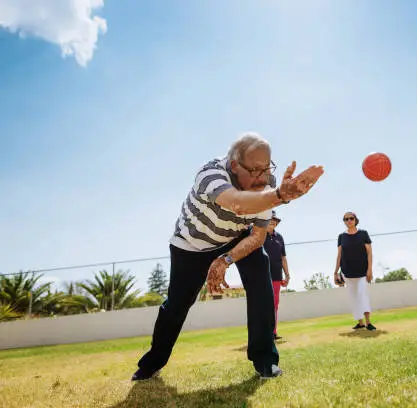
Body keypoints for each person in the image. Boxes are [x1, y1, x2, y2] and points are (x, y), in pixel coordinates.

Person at [131, 132, 324, 381]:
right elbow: (237, 204)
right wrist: (280, 195)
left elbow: (257, 236)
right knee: (177, 305)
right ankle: (152, 363)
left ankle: (265, 360)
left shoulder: (266, 183)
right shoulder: (210, 174)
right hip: (192, 244)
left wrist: (225, 260)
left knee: (260, 274)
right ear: (234, 165)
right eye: (255, 170)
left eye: (267, 168)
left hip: (235, 237)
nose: (263, 177)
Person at [333, 211, 376, 331]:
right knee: (353, 298)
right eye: (346, 219)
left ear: (355, 220)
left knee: (363, 295)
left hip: (362, 272)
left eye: (351, 218)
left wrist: (370, 269)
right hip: (347, 272)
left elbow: (369, 253)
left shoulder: (363, 234)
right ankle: (360, 322)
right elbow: (339, 255)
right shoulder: (341, 237)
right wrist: (335, 272)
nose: (349, 221)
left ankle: (368, 322)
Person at [263, 210, 290, 340]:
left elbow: (283, 257)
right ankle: (263, 332)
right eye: (270, 218)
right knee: (263, 304)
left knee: (275, 305)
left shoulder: (279, 237)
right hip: (262, 276)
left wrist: (287, 275)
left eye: (275, 220)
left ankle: (273, 332)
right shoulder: (258, 235)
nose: (273, 221)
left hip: (277, 276)